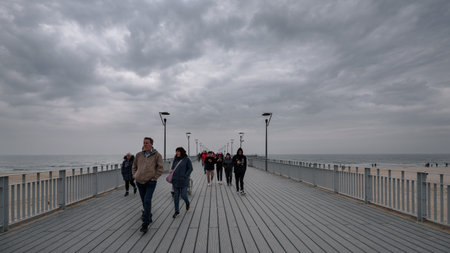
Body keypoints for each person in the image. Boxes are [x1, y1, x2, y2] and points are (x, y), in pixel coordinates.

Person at [132, 137, 164, 233]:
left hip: (150, 182)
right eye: (144, 143)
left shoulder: (157, 155)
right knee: (144, 201)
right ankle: (148, 216)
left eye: (147, 143)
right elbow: (134, 166)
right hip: (139, 181)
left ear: (151, 144)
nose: (145, 144)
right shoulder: (138, 155)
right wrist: (135, 175)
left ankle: (145, 224)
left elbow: (160, 168)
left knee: (147, 200)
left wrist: (155, 177)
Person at [170, 147, 193, 218]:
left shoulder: (186, 159)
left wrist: (185, 176)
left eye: (178, 151)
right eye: (176, 151)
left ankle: (187, 203)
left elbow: (190, 168)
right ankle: (177, 211)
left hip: (184, 180)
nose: (177, 153)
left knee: (183, 195)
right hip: (175, 181)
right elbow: (173, 168)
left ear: (182, 152)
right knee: (176, 196)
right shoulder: (175, 160)